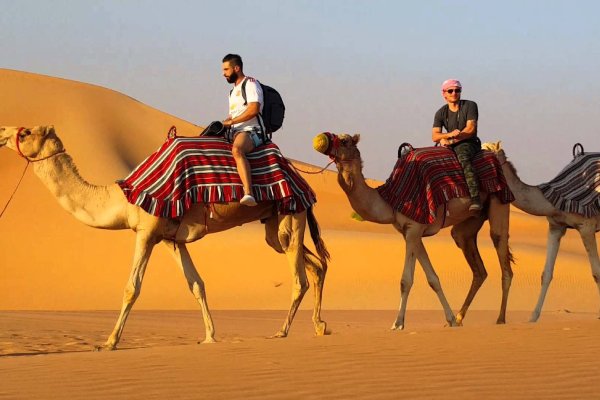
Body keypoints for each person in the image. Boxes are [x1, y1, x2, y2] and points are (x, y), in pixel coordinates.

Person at [221, 53, 266, 206]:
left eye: (226, 70)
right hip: (235, 130)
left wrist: (233, 121)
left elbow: (254, 109)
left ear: (237, 68)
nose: (223, 73)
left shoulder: (251, 84)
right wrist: (227, 122)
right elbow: (235, 113)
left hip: (251, 130)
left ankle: (248, 192)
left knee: (237, 150)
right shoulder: (232, 92)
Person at [432, 79, 482, 211]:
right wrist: (446, 136)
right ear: (444, 94)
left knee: (463, 157)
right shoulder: (440, 113)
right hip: (450, 143)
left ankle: (475, 198)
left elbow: (470, 129)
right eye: (450, 91)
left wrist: (452, 139)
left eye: (457, 90)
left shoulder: (470, 105)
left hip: (468, 143)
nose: (454, 93)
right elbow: (435, 136)